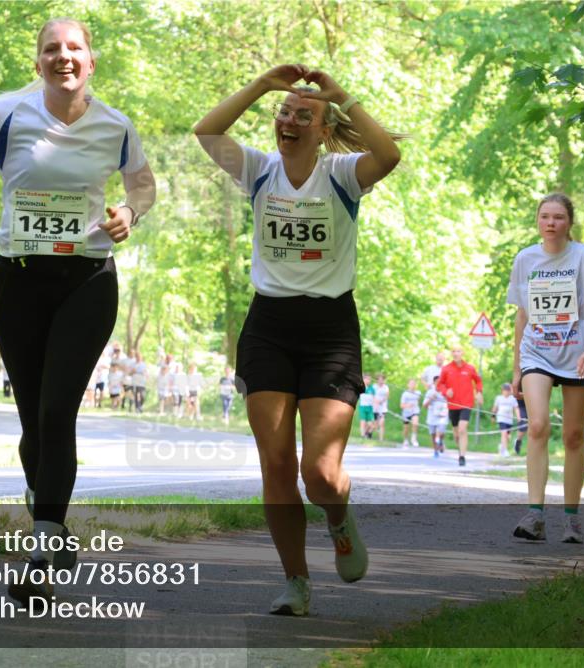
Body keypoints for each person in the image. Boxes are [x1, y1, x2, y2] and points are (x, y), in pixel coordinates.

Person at [0, 18, 156, 603]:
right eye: (51, 50)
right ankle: (52, 517)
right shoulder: (8, 113)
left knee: (56, 408)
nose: (62, 57)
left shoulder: (115, 125)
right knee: (31, 420)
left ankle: (42, 546)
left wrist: (129, 213)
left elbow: (143, 186)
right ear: (37, 62)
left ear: (91, 61)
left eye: (74, 49)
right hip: (18, 280)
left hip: (87, 281)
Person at [195, 62, 401, 615]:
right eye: (284, 113)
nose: (289, 120)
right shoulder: (259, 170)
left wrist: (344, 94)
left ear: (323, 130)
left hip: (331, 330)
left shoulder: (341, 174)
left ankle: (338, 515)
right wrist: (262, 85)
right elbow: (207, 131)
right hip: (268, 328)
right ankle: (296, 582)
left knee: (320, 474)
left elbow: (390, 156)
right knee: (278, 466)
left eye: (302, 115)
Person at [508, 193, 584, 543]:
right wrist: (517, 366)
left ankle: (572, 517)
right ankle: (534, 515)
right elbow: (522, 315)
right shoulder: (525, 259)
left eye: (558, 217)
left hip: (577, 354)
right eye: (544, 217)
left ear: (569, 222)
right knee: (536, 426)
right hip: (537, 352)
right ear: (537, 221)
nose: (551, 223)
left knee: (573, 436)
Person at [437, 346, 483, 467]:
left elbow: (478, 381)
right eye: (453, 351)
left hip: (467, 403)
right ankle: (460, 450)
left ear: (462, 353)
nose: (456, 353)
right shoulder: (446, 369)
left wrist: (478, 392)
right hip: (453, 405)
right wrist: (445, 391)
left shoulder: (469, 368)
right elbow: (440, 384)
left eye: (458, 351)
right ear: (451, 354)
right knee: (457, 433)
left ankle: (462, 456)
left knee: (463, 429)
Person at [492, 383, 520, 457]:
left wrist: (518, 417)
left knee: (508, 436)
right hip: (501, 419)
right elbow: (495, 408)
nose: (506, 392)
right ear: (502, 391)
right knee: (503, 434)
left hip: (509, 420)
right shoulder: (499, 398)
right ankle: (505, 450)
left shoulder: (512, 399)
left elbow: (516, 408)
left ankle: (502, 446)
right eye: (505, 390)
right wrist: (493, 416)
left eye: (508, 390)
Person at [423, 377, 448, 457]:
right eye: (437, 382)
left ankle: (441, 440)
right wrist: (431, 399)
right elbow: (425, 406)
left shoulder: (446, 392)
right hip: (432, 416)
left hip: (442, 416)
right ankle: (435, 450)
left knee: (441, 431)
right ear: (434, 383)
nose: (439, 384)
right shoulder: (430, 392)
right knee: (433, 434)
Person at [400, 379, 421, 448]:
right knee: (406, 428)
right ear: (408, 385)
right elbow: (401, 405)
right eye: (411, 384)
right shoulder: (405, 394)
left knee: (415, 423)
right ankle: (405, 439)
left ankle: (414, 439)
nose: (412, 385)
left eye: (414, 384)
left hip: (415, 411)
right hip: (406, 413)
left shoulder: (418, 393)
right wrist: (407, 406)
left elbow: (418, 400)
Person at [372, 373, 389, 441]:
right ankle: (368, 434)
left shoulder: (386, 387)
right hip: (375, 408)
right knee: (375, 424)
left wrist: (381, 400)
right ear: (377, 380)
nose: (381, 381)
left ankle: (381, 439)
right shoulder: (374, 387)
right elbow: (372, 395)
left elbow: (387, 396)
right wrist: (375, 401)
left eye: (382, 379)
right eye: (379, 379)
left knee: (381, 423)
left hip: (383, 408)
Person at [357, 373, 375, 438]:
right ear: (363, 379)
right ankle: (362, 435)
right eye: (367, 379)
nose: (368, 380)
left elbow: (373, 398)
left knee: (371, 424)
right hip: (362, 407)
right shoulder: (361, 387)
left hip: (370, 408)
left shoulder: (372, 389)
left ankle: (368, 433)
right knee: (363, 422)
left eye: (369, 379)